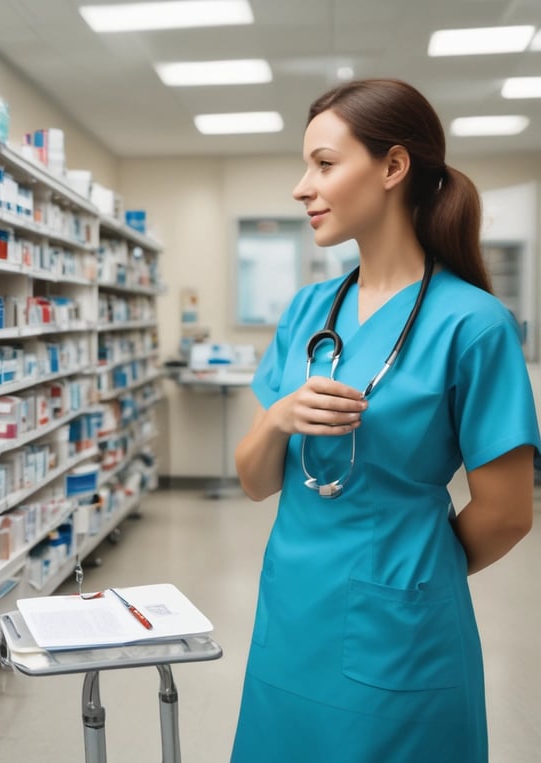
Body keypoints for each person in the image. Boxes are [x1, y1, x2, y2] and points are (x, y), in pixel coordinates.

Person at [230, 78, 541, 763]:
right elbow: (254, 481)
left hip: (403, 628)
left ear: (394, 166)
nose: (302, 187)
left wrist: (411, 580)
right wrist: (279, 417)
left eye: (324, 164)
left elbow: (507, 513)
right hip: (292, 613)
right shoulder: (308, 311)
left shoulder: (474, 323)